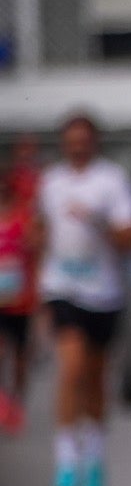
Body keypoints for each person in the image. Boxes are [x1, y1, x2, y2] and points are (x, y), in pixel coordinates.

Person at [35, 114, 131, 486]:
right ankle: (66, 457)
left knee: (95, 380)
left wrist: (98, 221)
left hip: (104, 292)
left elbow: (130, 237)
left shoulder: (111, 181)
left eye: (84, 140)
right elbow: (40, 229)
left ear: (95, 142)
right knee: (71, 368)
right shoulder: (51, 182)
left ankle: (95, 457)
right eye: (71, 140)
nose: (77, 146)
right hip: (62, 288)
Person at [0, 167, 39, 432]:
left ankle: (17, 401)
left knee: (20, 357)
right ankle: (3, 403)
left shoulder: (24, 216)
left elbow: (37, 249)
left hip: (20, 299)